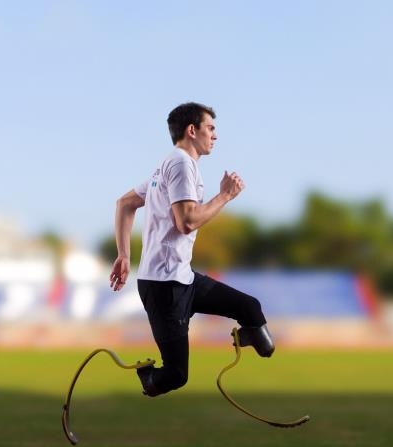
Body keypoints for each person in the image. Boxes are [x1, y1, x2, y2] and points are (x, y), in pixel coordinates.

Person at [109, 102, 276, 397]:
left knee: (250, 308)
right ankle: (148, 378)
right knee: (175, 375)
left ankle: (248, 337)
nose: (215, 135)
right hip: (164, 287)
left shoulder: (168, 166)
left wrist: (124, 255)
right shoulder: (181, 164)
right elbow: (186, 222)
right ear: (191, 130)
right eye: (210, 128)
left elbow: (125, 204)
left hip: (182, 278)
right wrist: (224, 196)